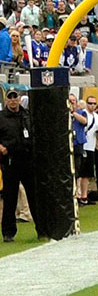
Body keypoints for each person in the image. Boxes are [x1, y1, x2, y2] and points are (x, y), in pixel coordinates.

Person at [0, 89, 36, 242]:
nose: (13, 100)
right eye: (10, 97)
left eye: (15, 97)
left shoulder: (27, 115)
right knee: (10, 198)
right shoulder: (1, 117)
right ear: (6, 100)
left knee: (34, 195)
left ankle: (42, 228)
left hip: (27, 159)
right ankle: (8, 232)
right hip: (10, 161)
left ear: (19, 99)